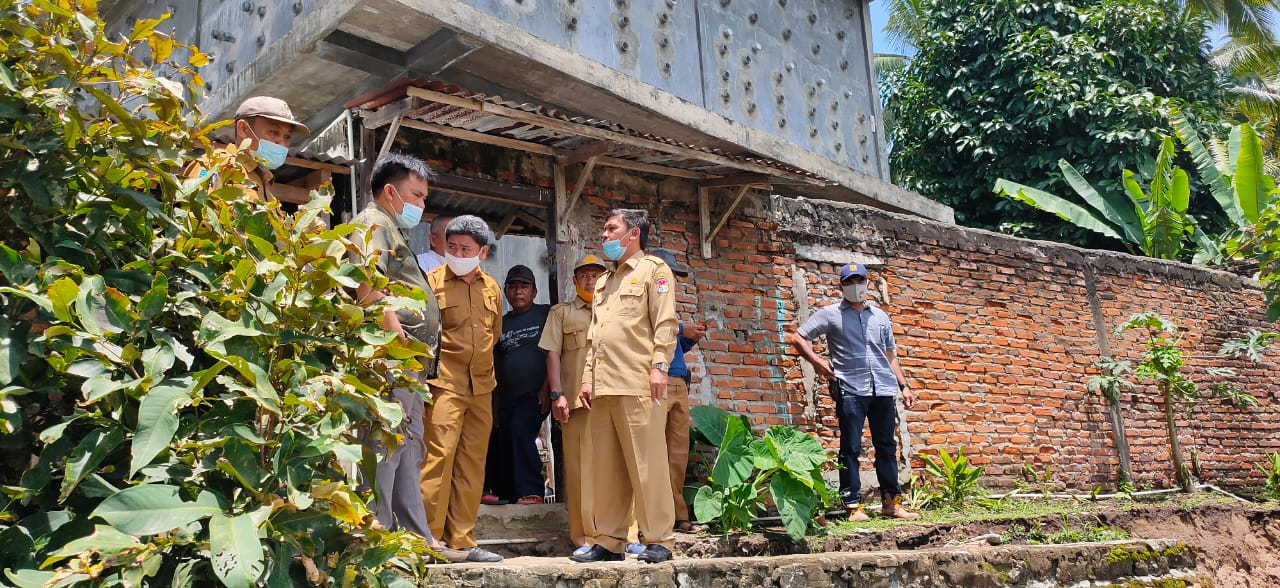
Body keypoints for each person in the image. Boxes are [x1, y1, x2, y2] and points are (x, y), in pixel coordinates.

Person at [348, 152, 466, 562]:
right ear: (390, 191)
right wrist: (396, 344)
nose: (420, 205)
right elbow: (369, 285)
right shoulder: (373, 225)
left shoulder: (392, 230)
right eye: (416, 195)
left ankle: (418, 540)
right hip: (392, 358)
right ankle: (376, 538)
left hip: (410, 363)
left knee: (406, 449)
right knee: (385, 448)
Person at [571, 209, 679, 564]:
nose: (604, 235)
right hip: (603, 386)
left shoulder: (654, 271)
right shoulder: (604, 281)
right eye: (604, 229)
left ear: (633, 234)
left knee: (647, 465)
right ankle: (610, 540)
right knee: (606, 468)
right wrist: (587, 379)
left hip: (638, 383)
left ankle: (659, 539)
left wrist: (659, 367)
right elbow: (594, 336)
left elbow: (665, 323)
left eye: (610, 228)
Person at [787, 262, 919, 521]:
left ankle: (892, 503)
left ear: (868, 283)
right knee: (850, 448)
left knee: (886, 446)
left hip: (882, 387)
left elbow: (890, 354)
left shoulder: (880, 316)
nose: (855, 286)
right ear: (841, 286)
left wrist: (903, 385)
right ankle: (852, 506)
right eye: (849, 282)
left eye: (859, 281)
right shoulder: (830, 314)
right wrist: (818, 362)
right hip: (850, 387)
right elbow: (799, 337)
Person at [419, 215, 506, 563]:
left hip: (482, 386)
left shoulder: (492, 288)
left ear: (482, 252)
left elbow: (494, 334)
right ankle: (427, 540)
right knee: (437, 458)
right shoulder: (431, 282)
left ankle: (462, 541)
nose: (457, 253)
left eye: (465, 248)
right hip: (443, 382)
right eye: (452, 246)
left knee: (472, 463)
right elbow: (421, 335)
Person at [540, 254, 608, 554]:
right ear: (575, 280)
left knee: (616, 469)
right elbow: (552, 353)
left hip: (612, 401)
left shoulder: (615, 312)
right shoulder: (562, 313)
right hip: (578, 404)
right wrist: (557, 394)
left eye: (595, 275)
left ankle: (625, 535)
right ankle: (586, 538)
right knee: (581, 472)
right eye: (584, 275)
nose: (590, 280)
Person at [649, 249, 709, 533]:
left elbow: (675, 348)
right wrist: (683, 328)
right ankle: (657, 516)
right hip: (655, 385)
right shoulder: (646, 303)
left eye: (674, 277)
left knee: (677, 454)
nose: (672, 280)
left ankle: (676, 513)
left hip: (677, 383)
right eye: (670, 275)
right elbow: (645, 333)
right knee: (655, 454)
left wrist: (691, 338)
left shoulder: (670, 310)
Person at [487, 265, 551, 505]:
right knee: (502, 438)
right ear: (505, 291)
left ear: (534, 291)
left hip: (534, 395)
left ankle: (531, 490)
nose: (518, 291)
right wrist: (493, 404)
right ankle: (507, 494)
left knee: (520, 431)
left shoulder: (545, 315)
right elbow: (495, 363)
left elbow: (554, 352)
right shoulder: (501, 324)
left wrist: (547, 388)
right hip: (505, 396)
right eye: (513, 286)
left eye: (524, 286)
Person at [184, 95, 307, 202]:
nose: (281, 143)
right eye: (274, 132)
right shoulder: (216, 164)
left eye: (287, 136)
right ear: (243, 129)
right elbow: (196, 221)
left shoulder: (264, 182)